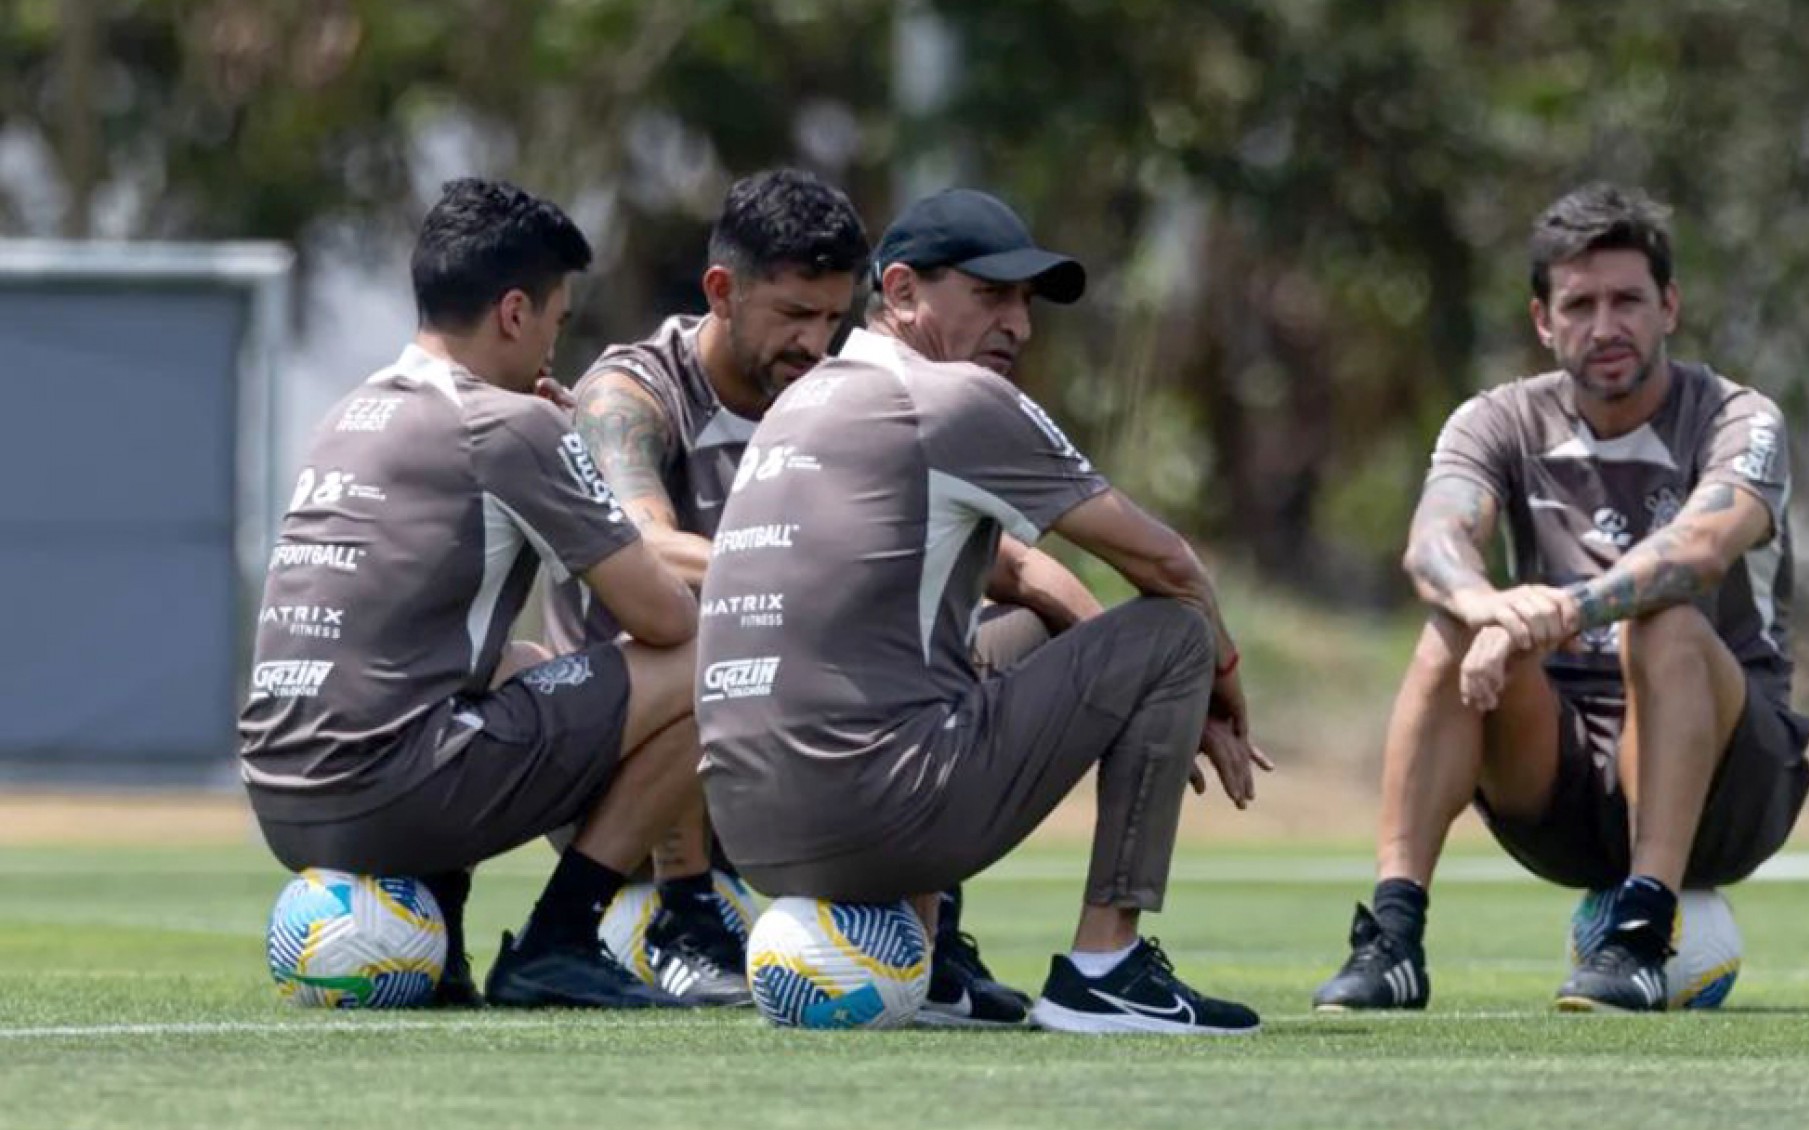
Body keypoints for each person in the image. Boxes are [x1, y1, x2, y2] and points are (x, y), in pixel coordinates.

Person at [696, 187, 1272, 1035]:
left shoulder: (802, 402)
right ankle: (1104, 972)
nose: (1019, 325)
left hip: (744, 825)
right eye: (991, 295)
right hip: (866, 814)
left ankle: (924, 965)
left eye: (1026, 302)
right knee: (1175, 631)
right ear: (899, 292)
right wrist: (1216, 681)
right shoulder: (952, 398)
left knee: (1006, 631)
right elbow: (1166, 562)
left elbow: (1024, 583)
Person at [553, 171, 1079, 1025]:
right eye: (792, 316)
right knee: (725, 627)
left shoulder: (833, 399)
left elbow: (1015, 566)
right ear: (721, 292)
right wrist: (790, 578)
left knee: (1000, 632)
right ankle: (683, 913)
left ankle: (931, 933)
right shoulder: (633, 393)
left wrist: (1132, 662)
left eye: (832, 319)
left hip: (792, 763)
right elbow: (639, 547)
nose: (813, 343)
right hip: (643, 758)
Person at [1311, 183, 1809, 1014]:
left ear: (1669, 308)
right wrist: (1490, 611)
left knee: (1665, 620)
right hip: (1561, 780)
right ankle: (1392, 940)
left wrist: (1568, 607)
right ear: (1543, 321)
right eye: (1579, 304)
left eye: (1627, 300)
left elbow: (1698, 552)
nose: (1605, 325)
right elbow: (1434, 540)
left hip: (1731, 781)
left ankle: (1642, 935)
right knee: (1450, 626)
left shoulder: (1738, 416)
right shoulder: (1494, 420)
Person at [239, 178, 707, 1010]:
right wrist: (574, 454)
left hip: (280, 800)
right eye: (558, 326)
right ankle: (562, 937)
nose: (552, 355)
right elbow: (664, 617)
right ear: (515, 312)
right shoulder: (508, 423)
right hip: (384, 797)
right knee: (713, 659)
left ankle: (444, 936)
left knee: (519, 659)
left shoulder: (349, 412)